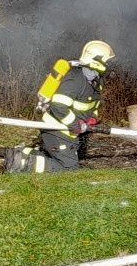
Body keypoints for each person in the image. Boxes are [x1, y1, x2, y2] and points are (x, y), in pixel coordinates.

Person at [9, 39, 113, 173]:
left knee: (72, 158)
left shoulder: (95, 81)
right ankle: (19, 163)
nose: (108, 64)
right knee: (69, 168)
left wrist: (92, 119)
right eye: (107, 61)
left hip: (68, 132)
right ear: (97, 60)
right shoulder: (75, 79)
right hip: (57, 130)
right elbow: (58, 106)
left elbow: (93, 105)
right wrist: (76, 124)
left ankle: (23, 152)